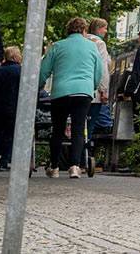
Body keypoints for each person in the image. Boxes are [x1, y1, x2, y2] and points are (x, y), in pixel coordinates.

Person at [39, 18, 102, 179]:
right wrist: (92, 87)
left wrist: (38, 86)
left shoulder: (57, 46)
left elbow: (44, 70)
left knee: (58, 129)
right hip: (83, 93)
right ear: (84, 31)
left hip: (61, 92)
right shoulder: (92, 46)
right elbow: (98, 72)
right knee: (78, 129)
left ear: (68, 31)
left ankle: (54, 167)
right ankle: (74, 166)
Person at [0, 47, 22, 171]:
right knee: (9, 135)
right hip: (13, 107)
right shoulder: (20, 71)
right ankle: (4, 162)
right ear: (16, 57)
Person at [84, 19, 112, 135]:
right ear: (98, 29)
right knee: (89, 125)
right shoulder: (99, 44)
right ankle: (83, 150)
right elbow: (102, 69)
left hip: (77, 91)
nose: (106, 31)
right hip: (94, 92)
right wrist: (104, 90)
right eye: (104, 28)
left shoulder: (83, 41)